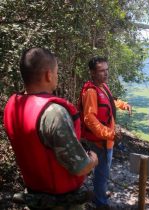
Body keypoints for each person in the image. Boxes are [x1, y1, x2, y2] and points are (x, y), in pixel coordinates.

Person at [3, 47, 98, 210]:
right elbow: (80, 167)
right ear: (48, 75)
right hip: (60, 204)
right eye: (56, 72)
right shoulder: (53, 112)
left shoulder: (12, 105)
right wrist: (93, 159)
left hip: (32, 196)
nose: (57, 76)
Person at [78, 56, 132, 209]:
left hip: (107, 139)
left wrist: (123, 105)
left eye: (106, 70)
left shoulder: (102, 86)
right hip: (100, 141)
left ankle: (99, 194)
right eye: (101, 71)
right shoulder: (90, 92)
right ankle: (100, 202)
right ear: (92, 73)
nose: (105, 73)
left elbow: (110, 100)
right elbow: (90, 119)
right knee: (102, 173)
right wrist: (110, 134)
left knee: (103, 170)